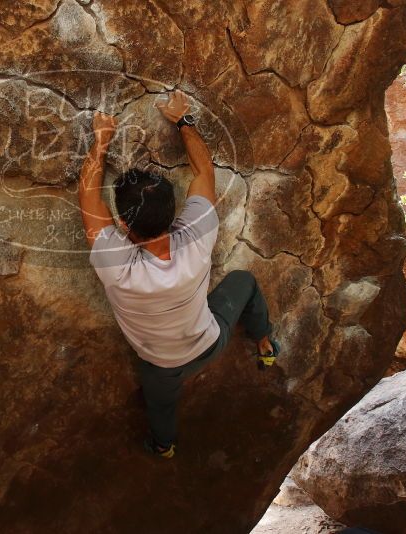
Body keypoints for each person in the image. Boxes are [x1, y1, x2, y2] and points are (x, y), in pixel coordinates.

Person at [77, 90, 280, 459]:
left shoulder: (117, 265)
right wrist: (183, 120)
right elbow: (204, 171)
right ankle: (265, 343)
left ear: (122, 224)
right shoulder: (199, 233)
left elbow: (88, 197)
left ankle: (164, 445)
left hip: (163, 366)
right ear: (176, 211)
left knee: (160, 406)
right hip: (209, 340)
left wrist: (102, 139)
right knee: (245, 282)